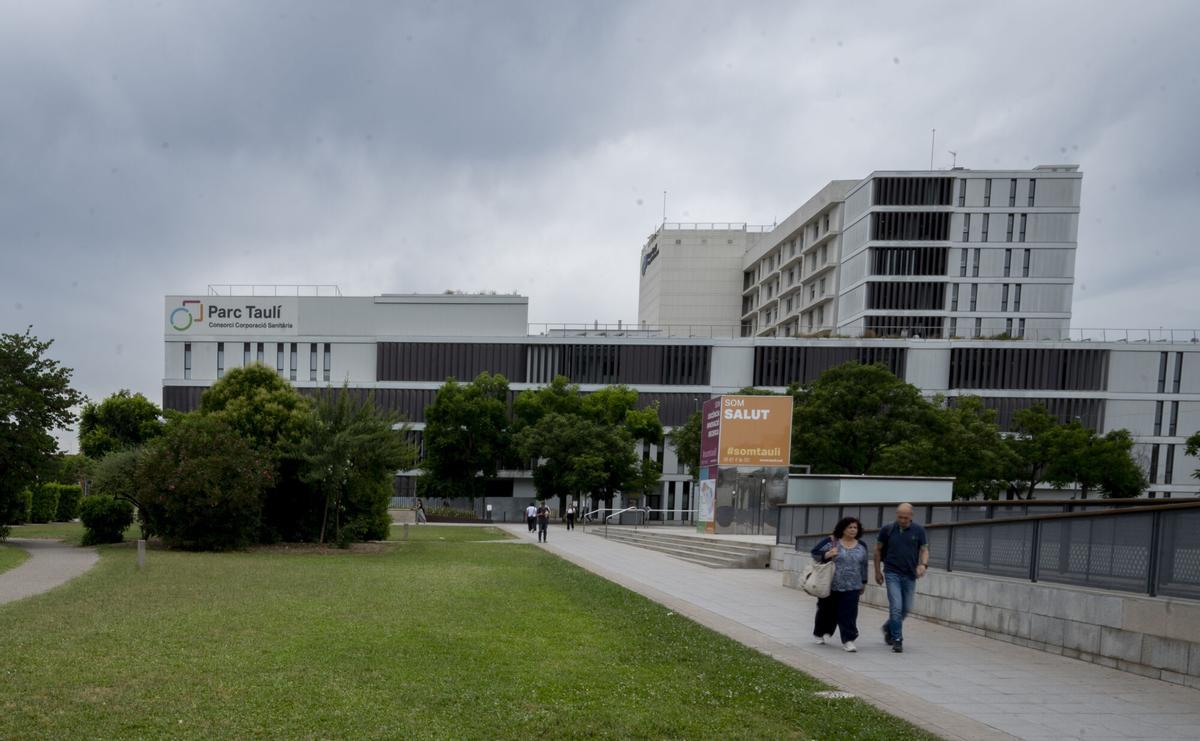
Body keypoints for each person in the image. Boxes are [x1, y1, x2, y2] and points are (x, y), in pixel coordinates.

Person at [874, 502, 929, 653]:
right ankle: (897, 639)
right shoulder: (887, 530)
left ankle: (888, 627)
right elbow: (877, 550)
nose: (903, 520)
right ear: (896, 515)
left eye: (905, 517)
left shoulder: (918, 530)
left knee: (906, 608)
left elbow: (924, 550)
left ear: (911, 516)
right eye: (900, 517)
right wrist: (877, 571)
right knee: (896, 607)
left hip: (910, 574)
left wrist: (923, 565)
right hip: (892, 573)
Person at [809, 517, 868, 652]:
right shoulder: (832, 542)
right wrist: (828, 554)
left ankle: (848, 640)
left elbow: (864, 565)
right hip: (831, 584)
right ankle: (820, 632)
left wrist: (864, 582)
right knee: (826, 611)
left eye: (855, 527)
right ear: (843, 529)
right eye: (850, 527)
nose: (853, 530)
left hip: (853, 586)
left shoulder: (861, 545)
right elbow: (814, 553)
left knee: (849, 613)